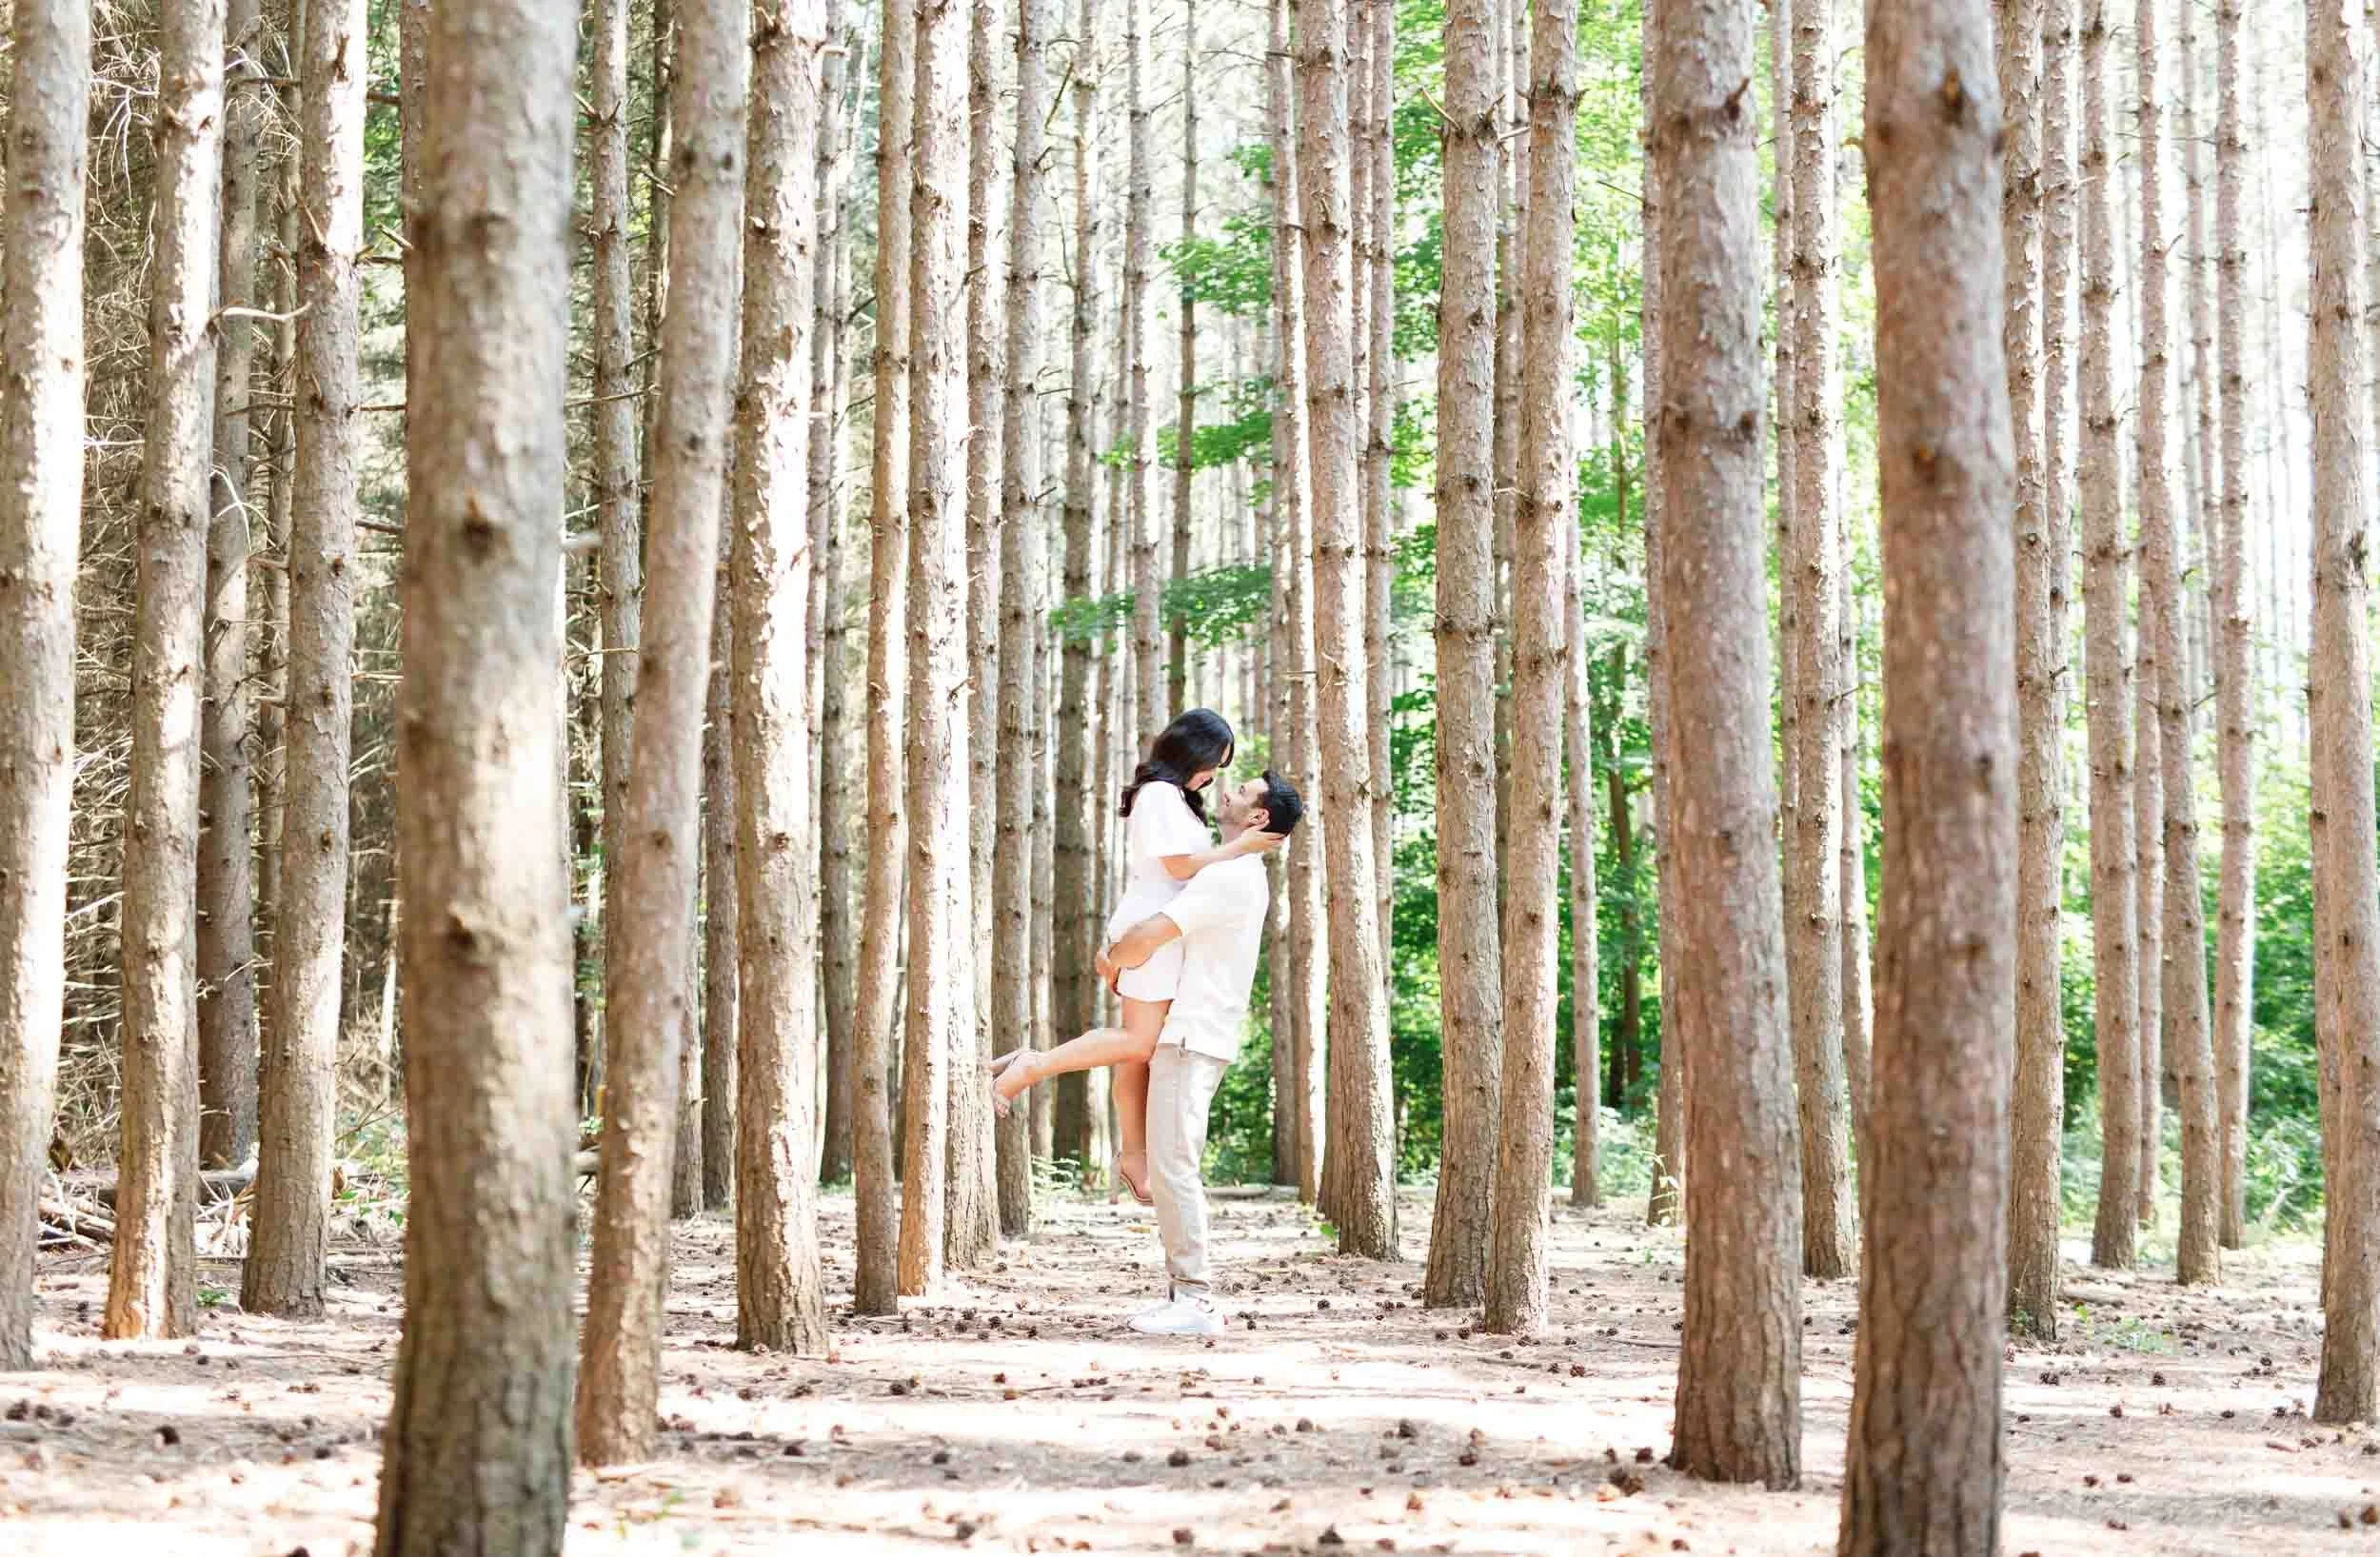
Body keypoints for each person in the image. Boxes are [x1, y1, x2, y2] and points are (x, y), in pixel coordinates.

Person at [988, 709, 1281, 1202]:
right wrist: (1239, 849)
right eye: (1214, 763)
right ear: (1192, 752)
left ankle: (1132, 1155)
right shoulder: (1160, 796)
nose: (1214, 778)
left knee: (1138, 1052)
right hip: (1150, 928)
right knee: (1139, 1043)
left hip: (1164, 932)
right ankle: (1031, 1066)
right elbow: (1177, 865)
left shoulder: (1181, 801)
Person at [1098, 769, 1303, 1336]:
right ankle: (1182, 1293)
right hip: (1189, 1034)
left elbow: (1151, 936)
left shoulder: (1231, 877)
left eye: (1243, 793)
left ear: (1259, 819)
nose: (1229, 791)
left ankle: (1195, 1298)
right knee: (1170, 1165)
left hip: (1193, 1035)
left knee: (1174, 1165)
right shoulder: (1232, 870)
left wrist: (1111, 958)